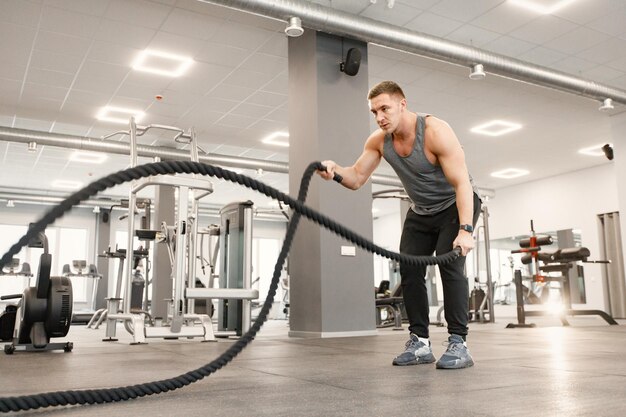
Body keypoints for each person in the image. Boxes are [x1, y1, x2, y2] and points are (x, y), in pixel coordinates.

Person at [317, 81, 481, 369]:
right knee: (409, 269)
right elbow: (356, 177)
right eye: (374, 111)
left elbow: (462, 184)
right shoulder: (379, 140)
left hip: (454, 206)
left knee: (450, 267)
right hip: (420, 211)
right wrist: (334, 172)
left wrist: (465, 231)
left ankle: (459, 342)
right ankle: (420, 342)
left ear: (402, 104)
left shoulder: (435, 132)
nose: (380, 117)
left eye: (384, 108)